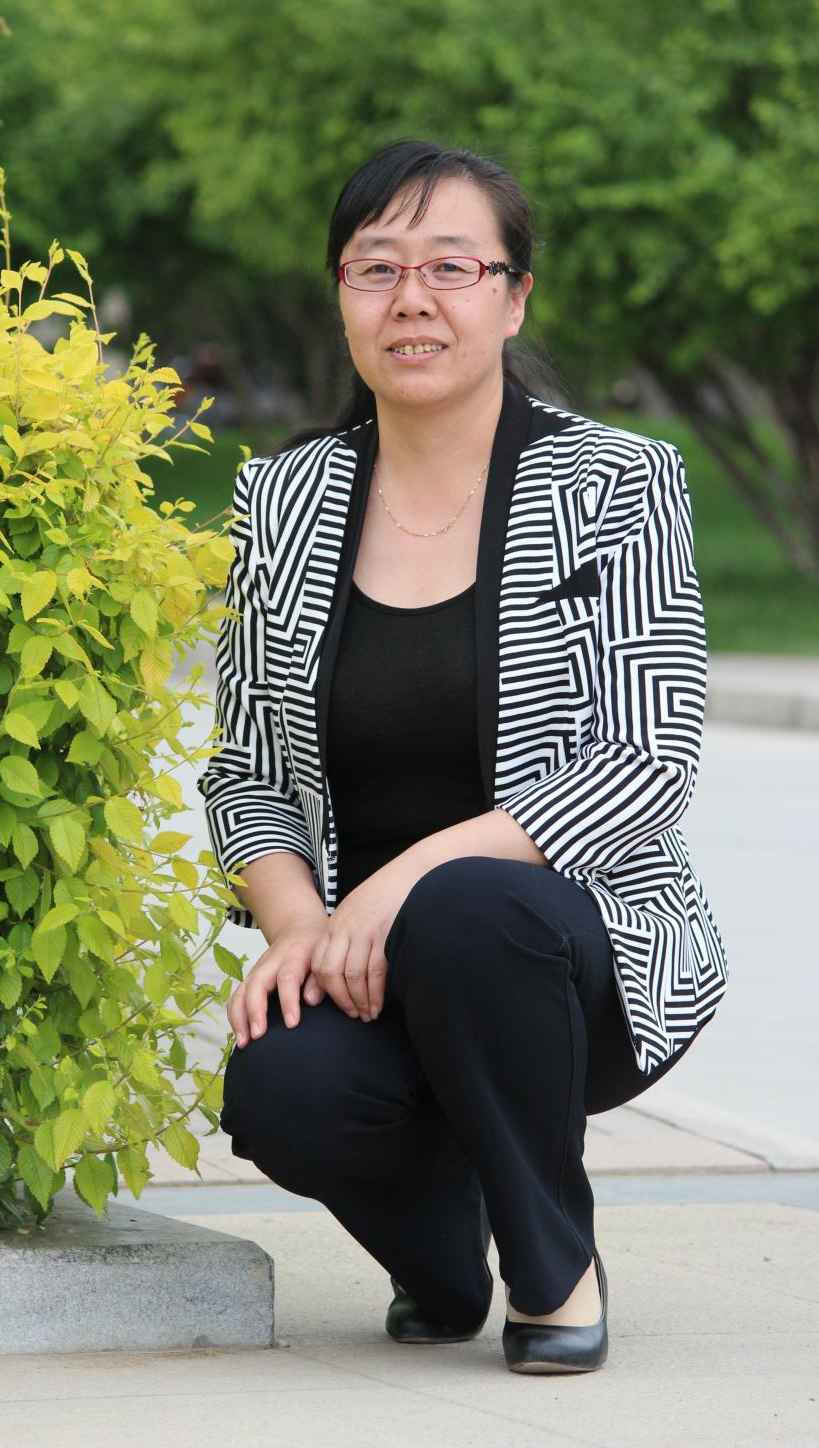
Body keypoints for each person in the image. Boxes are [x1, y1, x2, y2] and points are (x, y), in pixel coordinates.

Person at [196, 138, 730, 1374]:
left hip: (570, 956)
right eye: (376, 267)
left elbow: (647, 757)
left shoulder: (617, 480)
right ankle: (441, 1262)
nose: (412, 299)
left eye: (450, 266)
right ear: (342, 296)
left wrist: (398, 883)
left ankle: (554, 1267)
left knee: (469, 906)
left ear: (514, 297)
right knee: (276, 1085)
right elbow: (247, 772)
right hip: (368, 968)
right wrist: (299, 932)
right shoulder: (279, 501)